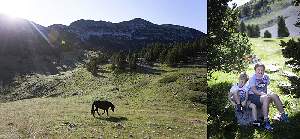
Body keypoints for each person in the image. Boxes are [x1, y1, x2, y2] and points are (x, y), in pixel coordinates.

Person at [248, 63, 288, 131]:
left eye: (262, 70)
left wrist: (267, 94)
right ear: (255, 70)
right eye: (258, 70)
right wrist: (262, 94)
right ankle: (266, 121)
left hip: (263, 95)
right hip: (253, 96)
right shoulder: (252, 78)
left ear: (264, 70)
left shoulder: (266, 77)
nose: (260, 71)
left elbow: (266, 87)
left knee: (274, 95)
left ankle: (282, 115)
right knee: (266, 98)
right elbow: (254, 90)